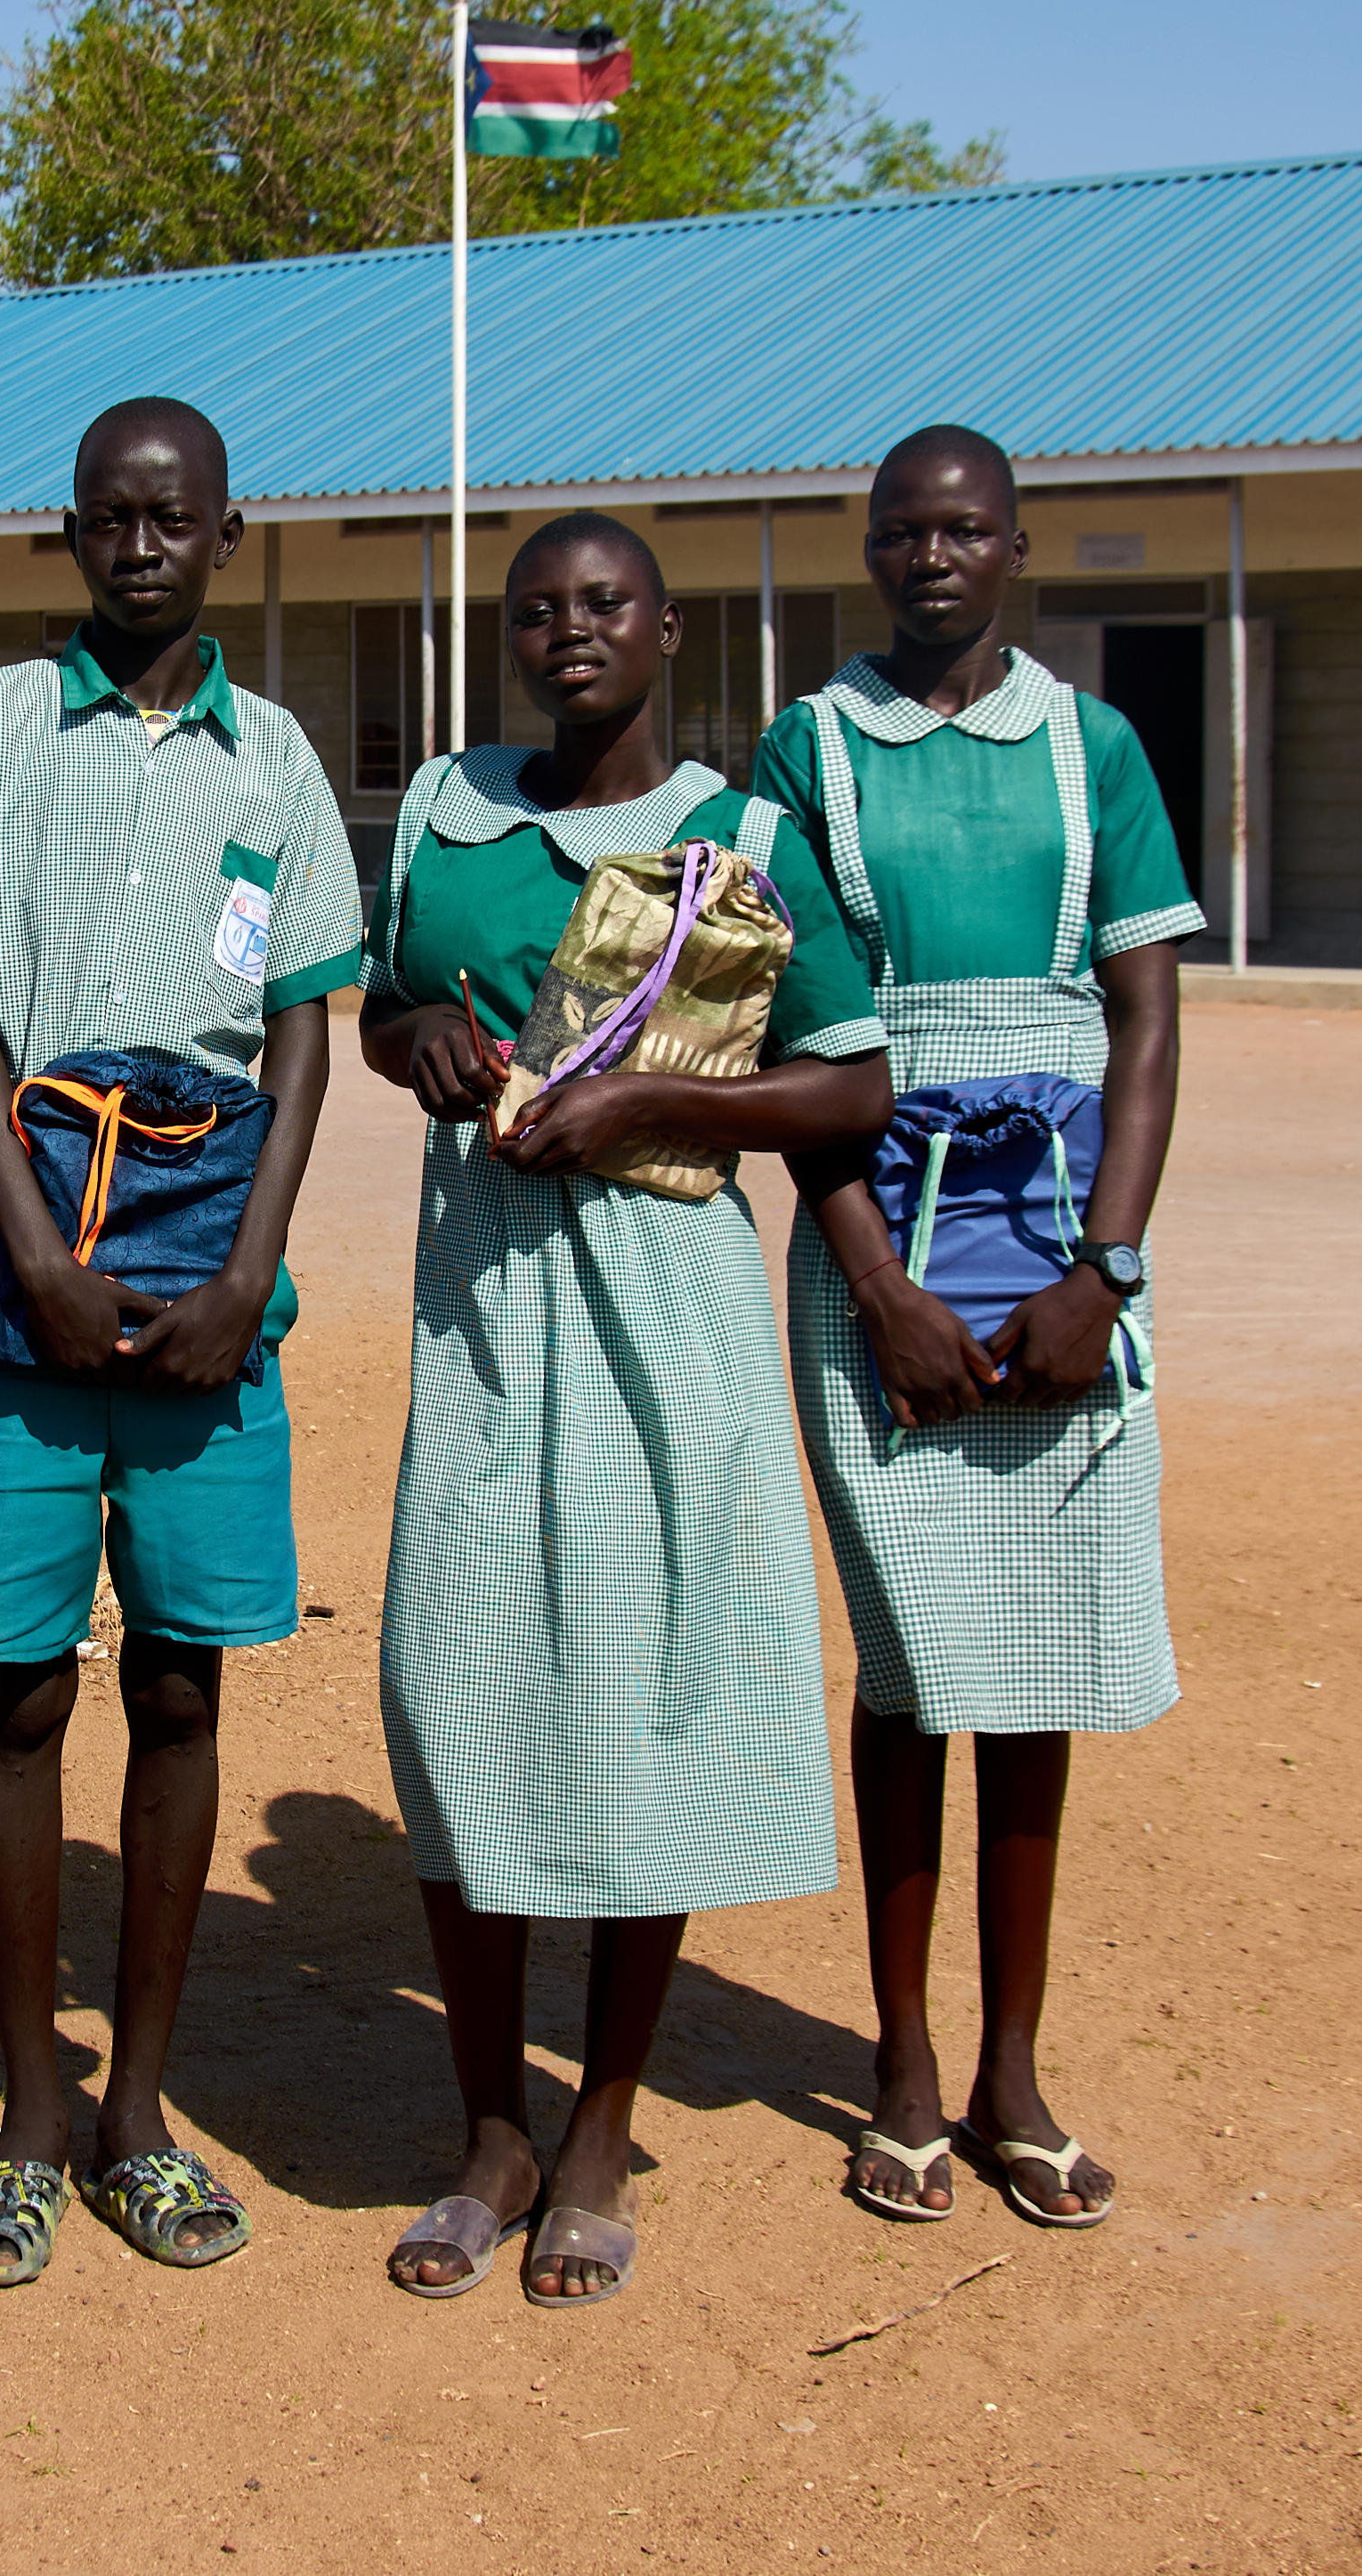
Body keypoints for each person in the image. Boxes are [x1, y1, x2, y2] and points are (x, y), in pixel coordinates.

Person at [359, 511, 891, 2305]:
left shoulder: (738, 838)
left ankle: (596, 2120)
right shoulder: (443, 812)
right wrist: (416, 1029)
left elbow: (850, 1082)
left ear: (666, 626)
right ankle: (483, 2123)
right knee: (456, 1676)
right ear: (503, 637)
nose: (569, 631)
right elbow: (377, 1006)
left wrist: (657, 1113)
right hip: (482, 1302)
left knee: (643, 1677)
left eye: (602, 604)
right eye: (536, 610)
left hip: (663, 1302)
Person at [0, 396, 364, 2286]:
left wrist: (249, 1274)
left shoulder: (275, 764)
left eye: (174, 516)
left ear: (228, 536)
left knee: (179, 1683)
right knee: (19, 1687)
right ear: (71, 534)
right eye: (109, 515)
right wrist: (30, 1251)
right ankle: (23, 2111)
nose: (142, 542)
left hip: (204, 1297)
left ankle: (137, 2108)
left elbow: (308, 1028)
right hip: (26, 1276)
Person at [754, 425, 1202, 2235]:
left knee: (1042, 1662)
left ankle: (1014, 2066)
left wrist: (1105, 1270)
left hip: (1063, 1264)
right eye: (900, 528)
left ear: (1015, 545)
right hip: (883, 1255)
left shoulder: (1093, 749)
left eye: (964, 526)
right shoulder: (806, 745)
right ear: (866, 549)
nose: (931, 552)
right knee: (908, 1659)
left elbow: (1150, 1028)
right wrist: (874, 1283)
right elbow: (787, 1030)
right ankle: (904, 2057)